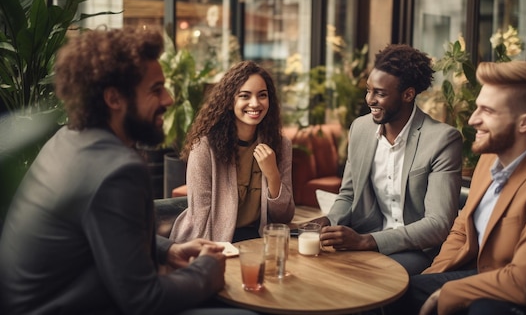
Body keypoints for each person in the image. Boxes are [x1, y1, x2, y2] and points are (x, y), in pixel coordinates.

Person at [0, 27, 256, 315]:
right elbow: (144, 301)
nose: (169, 99)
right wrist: (207, 269)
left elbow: (106, 234)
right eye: (155, 89)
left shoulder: (69, 139)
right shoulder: (117, 171)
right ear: (114, 99)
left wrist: (168, 249)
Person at [400, 61, 526, 315]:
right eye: (477, 107)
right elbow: (462, 228)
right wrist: (431, 278)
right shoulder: (491, 156)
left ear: (525, 123)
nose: (472, 119)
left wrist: (446, 292)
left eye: (487, 111)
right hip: (480, 276)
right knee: (397, 292)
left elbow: (524, 283)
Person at [311, 44, 463, 275]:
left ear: (408, 94)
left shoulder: (442, 140)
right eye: (368, 90)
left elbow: (438, 224)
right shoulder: (360, 128)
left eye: (380, 93)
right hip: (364, 237)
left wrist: (367, 241)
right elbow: (349, 194)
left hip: (416, 249)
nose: (369, 99)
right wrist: (329, 220)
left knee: (365, 279)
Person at [169, 61, 294, 243]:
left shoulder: (281, 145)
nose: (255, 103)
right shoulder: (204, 147)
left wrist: (273, 175)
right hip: (212, 241)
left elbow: (284, 217)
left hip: (258, 241)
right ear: (229, 102)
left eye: (262, 95)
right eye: (245, 96)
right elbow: (200, 216)